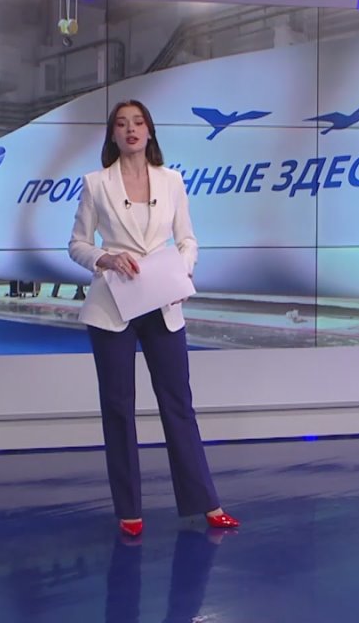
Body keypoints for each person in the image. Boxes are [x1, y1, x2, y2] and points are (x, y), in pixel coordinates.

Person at [68, 99, 239, 537]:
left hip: (163, 302)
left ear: (149, 131)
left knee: (178, 403)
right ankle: (129, 510)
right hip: (113, 306)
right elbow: (77, 244)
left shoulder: (172, 180)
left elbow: (188, 240)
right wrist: (106, 258)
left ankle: (207, 503)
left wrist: (183, 269)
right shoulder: (95, 184)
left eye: (138, 122)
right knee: (118, 408)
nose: (131, 130)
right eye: (122, 124)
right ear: (112, 134)